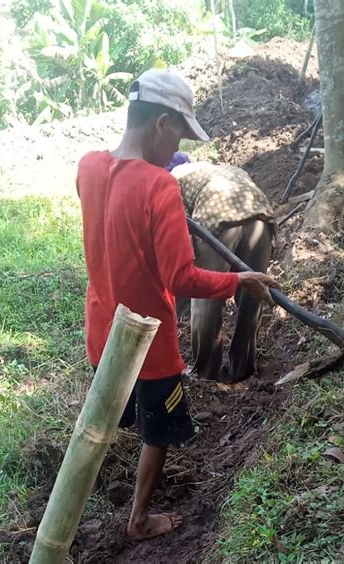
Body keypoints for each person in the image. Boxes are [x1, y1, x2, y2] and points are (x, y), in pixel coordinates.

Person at [76, 69, 279, 541]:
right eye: (181, 134)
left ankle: (81, 494)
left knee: (108, 417)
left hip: (103, 327)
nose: (179, 147)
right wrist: (239, 279)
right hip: (148, 339)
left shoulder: (87, 166)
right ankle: (140, 518)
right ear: (161, 124)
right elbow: (181, 277)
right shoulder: (159, 186)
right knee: (159, 431)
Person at [169, 159, 276, 382]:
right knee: (252, 297)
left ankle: (204, 373)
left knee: (206, 296)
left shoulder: (173, 178)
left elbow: (180, 238)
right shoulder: (222, 169)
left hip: (218, 216)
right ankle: (243, 366)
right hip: (261, 216)